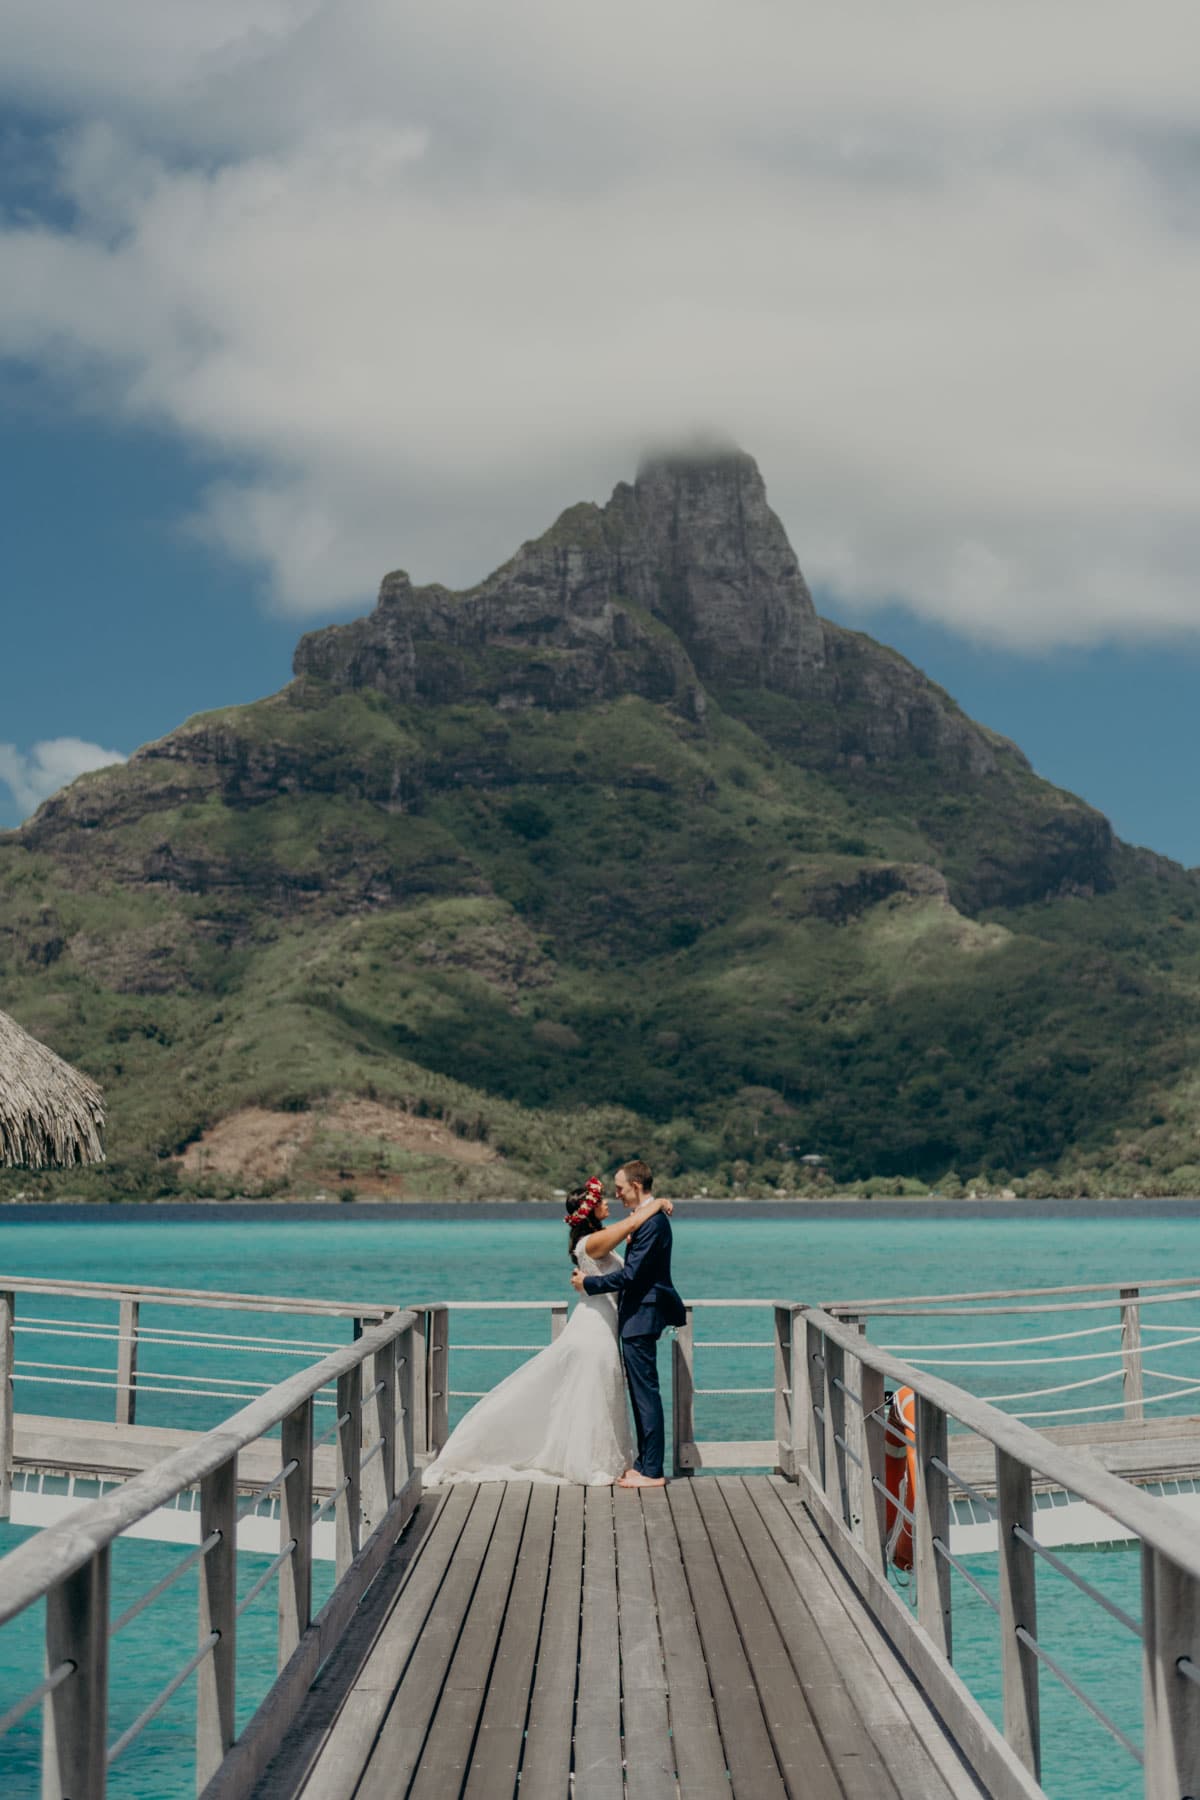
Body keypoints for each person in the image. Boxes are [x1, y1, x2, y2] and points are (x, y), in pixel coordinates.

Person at [423, 1176, 673, 1486]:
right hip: (593, 1328)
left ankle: (608, 1458)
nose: (608, 1202)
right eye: (601, 1201)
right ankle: (592, 1462)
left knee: (602, 1395)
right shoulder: (592, 1243)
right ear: (591, 1210)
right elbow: (630, 1226)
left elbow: (628, 1236)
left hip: (605, 1325)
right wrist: (659, 1203)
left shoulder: (599, 1239)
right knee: (595, 1393)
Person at [570, 1159, 686, 1489]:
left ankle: (652, 1470)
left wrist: (589, 1285)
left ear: (636, 1186)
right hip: (635, 1317)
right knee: (640, 1394)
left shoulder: (652, 1224)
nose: (617, 1194)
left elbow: (633, 1275)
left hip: (642, 1317)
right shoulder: (643, 1220)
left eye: (620, 1188)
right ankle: (643, 1462)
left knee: (646, 1394)